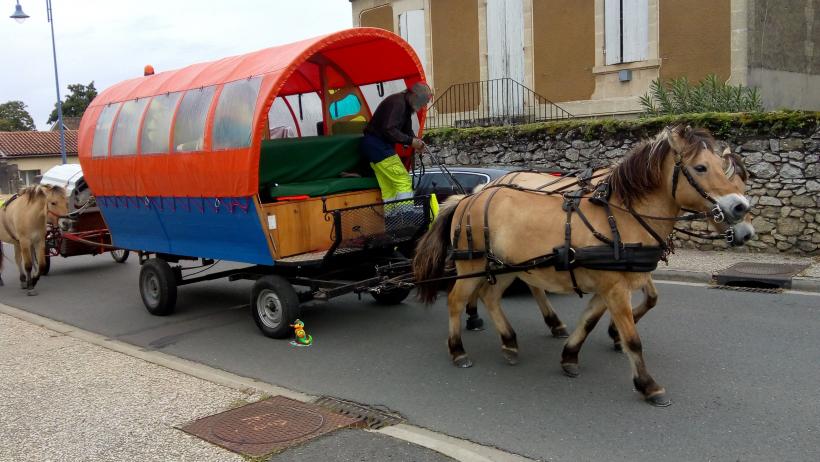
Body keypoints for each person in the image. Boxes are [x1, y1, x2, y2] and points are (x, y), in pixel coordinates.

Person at [360, 82, 432, 207]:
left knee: (389, 187)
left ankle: (392, 221)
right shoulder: (398, 103)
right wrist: (411, 141)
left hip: (373, 146)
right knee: (403, 180)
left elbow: (407, 131)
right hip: (378, 145)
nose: (423, 106)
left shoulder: (404, 105)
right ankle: (407, 218)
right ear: (414, 96)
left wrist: (417, 143)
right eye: (423, 102)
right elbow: (389, 129)